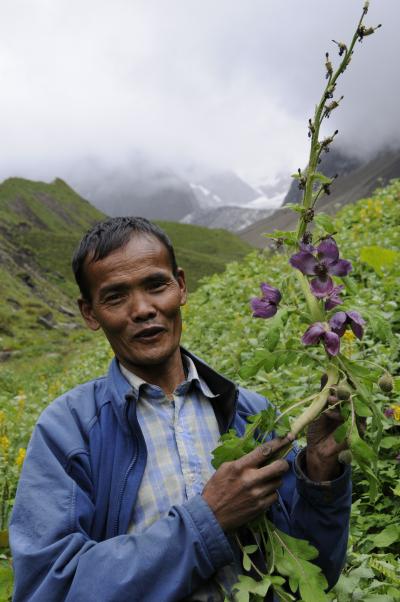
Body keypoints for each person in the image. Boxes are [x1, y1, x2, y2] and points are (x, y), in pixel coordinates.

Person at [10, 217, 351, 602]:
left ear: (182, 286)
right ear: (90, 313)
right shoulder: (68, 431)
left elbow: (311, 574)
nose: (143, 309)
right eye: (115, 296)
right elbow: (49, 588)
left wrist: (321, 479)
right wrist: (206, 521)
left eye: (157, 285)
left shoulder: (252, 415)